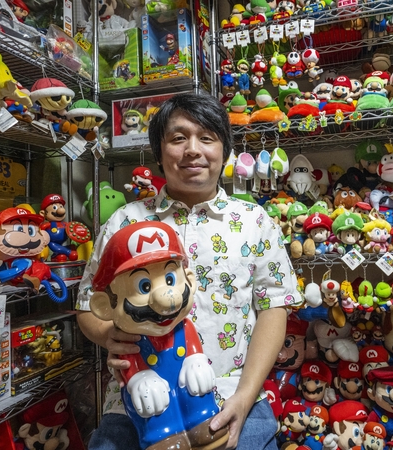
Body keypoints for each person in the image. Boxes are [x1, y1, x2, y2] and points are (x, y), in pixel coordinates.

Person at [77, 92, 299, 450]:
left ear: (224, 151)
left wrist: (245, 396)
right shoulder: (125, 220)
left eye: (207, 138)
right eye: (178, 138)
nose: (193, 150)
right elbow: (88, 304)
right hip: (138, 401)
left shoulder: (255, 221)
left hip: (233, 395)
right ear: (159, 151)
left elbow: (274, 307)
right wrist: (107, 334)